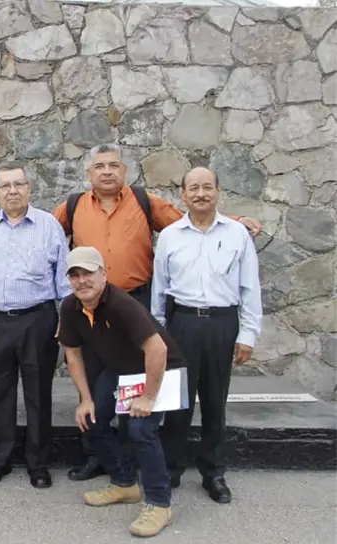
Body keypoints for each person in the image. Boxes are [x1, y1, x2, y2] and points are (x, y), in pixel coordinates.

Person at [0, 143, 261, 481]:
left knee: (135, 385)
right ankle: (96, 455)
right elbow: (26, 221)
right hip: (92, 312)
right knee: (96, 387)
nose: (107, 171)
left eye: (114, 165)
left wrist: (235, 221)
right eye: (100, 166)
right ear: (89, 174)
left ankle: (132, 458)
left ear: (124, 171)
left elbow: (195, 218)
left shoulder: (145, 203)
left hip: (135, 306)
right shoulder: (71, 208)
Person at [58, 246, 187, 538]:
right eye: (75, 275)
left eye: (88, 273)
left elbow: (158, 349)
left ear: (103, 274)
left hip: (160, 369)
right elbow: (73, 354)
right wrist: (86, 399)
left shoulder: (121, 304)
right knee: (90, 419)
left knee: (141, 429)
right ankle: (125, 483)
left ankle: (159, 503)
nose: (82, 280)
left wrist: (149, 398)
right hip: (122, 370)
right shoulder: (70, 307)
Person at [152, 167, 263, 503]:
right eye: (193, 188)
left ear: (218, 191)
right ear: (183, 195)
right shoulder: (170, 235)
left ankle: (213, 473)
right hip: (182, 323)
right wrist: (158, 332)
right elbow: (159, 289)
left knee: (215, 403)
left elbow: (250, 287)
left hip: (221, 324)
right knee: (177, 403)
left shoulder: (237, 235)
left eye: (207, 187)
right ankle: (170, 470)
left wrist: (248, 334)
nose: (200, 194)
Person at [0, 163, 71, 488]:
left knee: (38, 392)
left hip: (38, 319)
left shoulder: (49, 226)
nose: (12, 191)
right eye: (5, 186)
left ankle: (38, 464)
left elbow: (64, 281)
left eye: (18, 184)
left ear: (29, 188)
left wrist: (65, 321)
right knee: (1, 392)